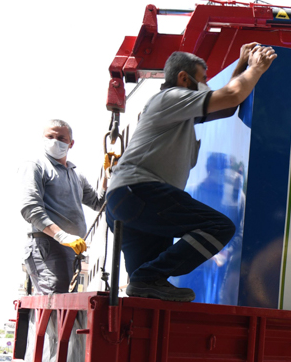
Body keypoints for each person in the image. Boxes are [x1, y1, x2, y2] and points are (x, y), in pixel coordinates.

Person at [106, 43, 276, 301]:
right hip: (138, 193)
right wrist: (256, 68)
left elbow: (226, 105)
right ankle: (146, 279)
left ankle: (145, 289)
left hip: (130, 204)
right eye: (203, 80)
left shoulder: (181, 114)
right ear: (183, 78)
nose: (206, 85)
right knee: (217, 227)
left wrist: (240, 66)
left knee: (147, 288)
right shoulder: (170, 98)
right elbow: (230, 96)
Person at [20, 120, 105, 293]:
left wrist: (108, 176)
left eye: (61, 138)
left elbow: (98, 203)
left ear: (71, 143)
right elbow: (30, 208)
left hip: (70, 248)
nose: (54, 141)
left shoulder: (75, 175)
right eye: (50, 136)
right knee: (55, 302)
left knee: (65, 305)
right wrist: (61, 235)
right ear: (43, 138)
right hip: (47, 244)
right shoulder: (36, 166)